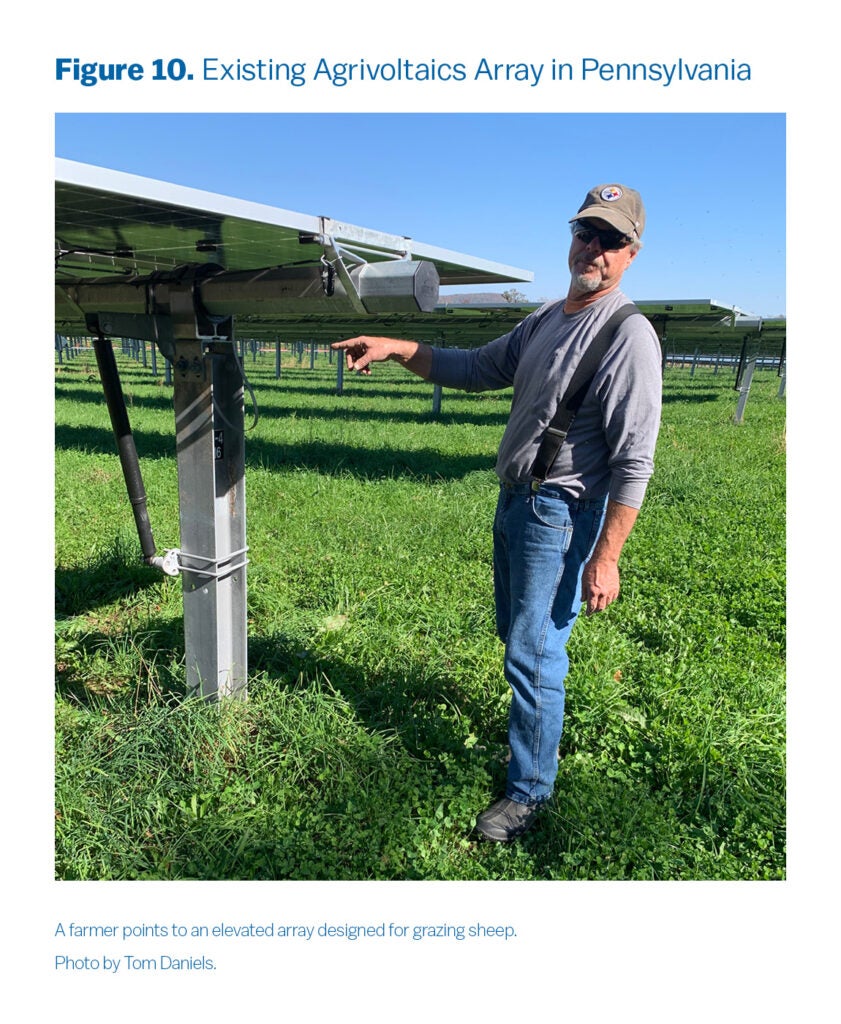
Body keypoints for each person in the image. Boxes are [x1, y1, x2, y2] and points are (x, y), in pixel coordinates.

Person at [332, 184, 662, 842]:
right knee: (523, 640)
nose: (590, 248)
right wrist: (397, 346)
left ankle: (529, 792)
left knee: (534, 650)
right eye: (583, 233)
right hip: (518, 502)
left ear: (630, 253)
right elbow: (477, 367)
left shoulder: (627, 336)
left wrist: (607, 558)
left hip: (560, 513)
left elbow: (633, 461)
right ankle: (531, 741)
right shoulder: (546, 319)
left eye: (608, 240)